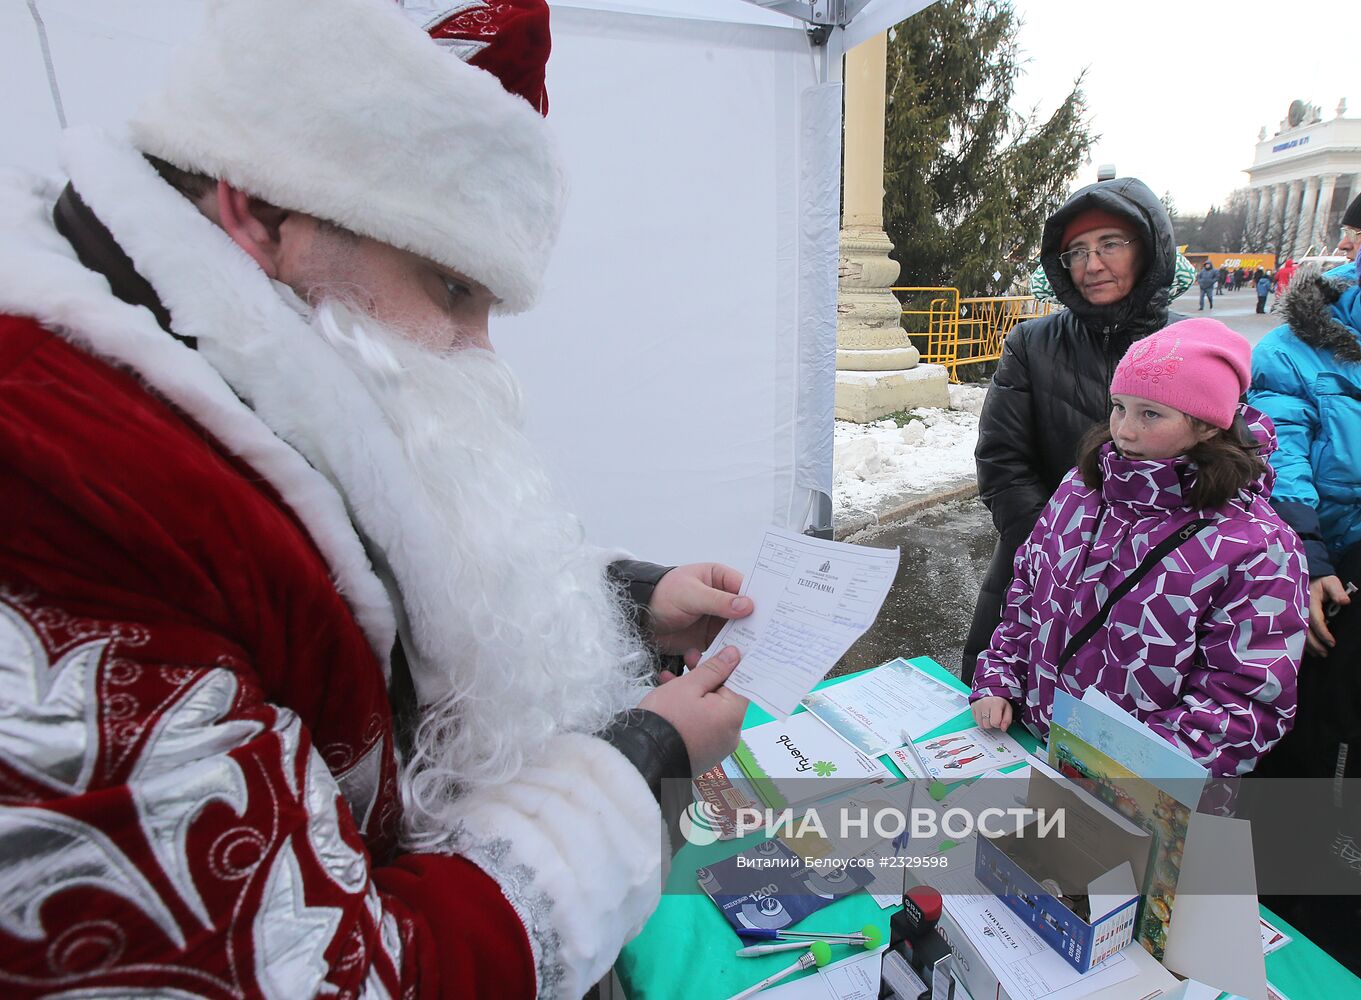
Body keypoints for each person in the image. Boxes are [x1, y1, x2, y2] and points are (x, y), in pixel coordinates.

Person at [0, 1, 756, 995]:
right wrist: (635, 766)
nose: (480, 354)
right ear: (258, 212)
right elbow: (350, 974)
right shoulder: (69, 485)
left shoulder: (231, 364)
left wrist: (626, 594)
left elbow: (409, 562)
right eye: (449, 288)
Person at [971, 319, 1307, 777]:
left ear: (1208, 425)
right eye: (1118, 407)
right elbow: (1027, 596)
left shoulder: (1256, 546)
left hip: (1137, 792)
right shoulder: (1080, 491)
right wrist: (1000, 677)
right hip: (1032, 750)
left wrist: (1118, 769)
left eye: (1150, 414)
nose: (1124, 432)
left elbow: (1243, 701)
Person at [964, 177, 1183, 685]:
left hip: (1162, 590)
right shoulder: (1031, 344)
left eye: (1110, 244)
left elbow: (1228, 473)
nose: (1091, 264)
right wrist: (1060, 559)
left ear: (1149, 249)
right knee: (1004, 720)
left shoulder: (1190, 347)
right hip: (1036, 575)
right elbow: (1002, 464)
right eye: (1077, 251)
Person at [1249, 242, 1361, 970]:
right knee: (1304, 742)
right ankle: (1282, 930)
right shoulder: (1296, 345)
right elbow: (1278, 444)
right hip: (1323, 562)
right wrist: (1312, 558)